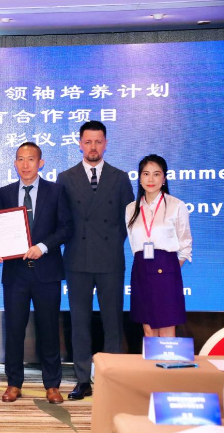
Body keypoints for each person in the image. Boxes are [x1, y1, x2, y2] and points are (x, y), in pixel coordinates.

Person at [0, 142, 72, 404]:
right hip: (15, 274)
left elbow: (66, 228)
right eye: (21, 159)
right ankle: (14, 383)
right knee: (14, 330)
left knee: (49, 330)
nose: (25, 165)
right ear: (15, 163)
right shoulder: (4, 193)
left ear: (40, 163)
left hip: (47, 272)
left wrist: (43, 247)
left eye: (31, 159)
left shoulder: (56, 191)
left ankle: (52, 385)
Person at [56, 120, 134, 400]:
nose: (93, 147)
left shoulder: (120, 177)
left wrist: (111, 244)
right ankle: (82, 380)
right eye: (88, 142)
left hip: (110, 260)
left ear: (106, 144)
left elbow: (128, 221)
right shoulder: (65, 178)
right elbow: (62, 220)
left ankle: (111, 380)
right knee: (80, 322)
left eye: (98, 142)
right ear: (80, 144)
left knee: (112, 322)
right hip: (76, 259)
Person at [126, 154, 191, 337]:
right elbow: (133, 241)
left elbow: (185, 243)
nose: (151, 179)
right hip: (141, 267)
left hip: (166, 269)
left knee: (167, 325)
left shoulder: (176, 205)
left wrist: (171, 268)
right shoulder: (131, 208)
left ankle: (168, 357)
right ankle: (151, 358)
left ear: (164, 178)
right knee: (148, 327)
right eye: (146, 174)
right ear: (140, 178)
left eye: (156, 174)